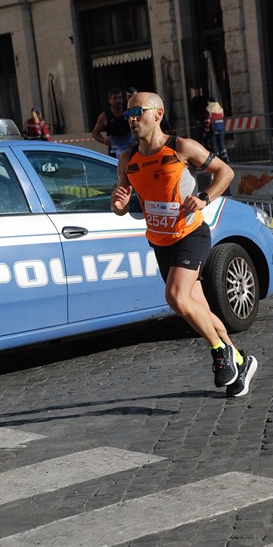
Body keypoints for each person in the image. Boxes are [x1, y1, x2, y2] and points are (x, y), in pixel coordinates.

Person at [111, 91, 257, 397]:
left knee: (176, 298)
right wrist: (120, 204)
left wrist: (204, 198)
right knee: (198, 309)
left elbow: (225, 173)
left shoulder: (180, 147)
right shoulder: (127, 159)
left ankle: (219, 351)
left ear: (158, 114)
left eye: (138, 111)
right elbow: (121, 203)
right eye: (128, 114)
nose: (132, 118)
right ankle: (240, 361)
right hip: (160, 242)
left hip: (191, 235)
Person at [92, 88, 133, 158]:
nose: (118, 100)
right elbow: (95, 134)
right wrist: (104, 140)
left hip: (130, 147)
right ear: (109, 100)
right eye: (115, 98)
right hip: (115, 151)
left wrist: (137, 140)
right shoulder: (105, 116)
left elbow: (140, 126)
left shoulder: (129, 112)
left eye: (120, 98)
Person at [203, 96, 229, 163]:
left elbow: (208, 120)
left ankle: (215, 159)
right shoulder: (220, 109)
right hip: (221, 128)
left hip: (214, 128)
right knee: (221, 143)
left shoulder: (209, 109)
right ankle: (225, 157)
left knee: (213, 144)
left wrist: (206, 130)